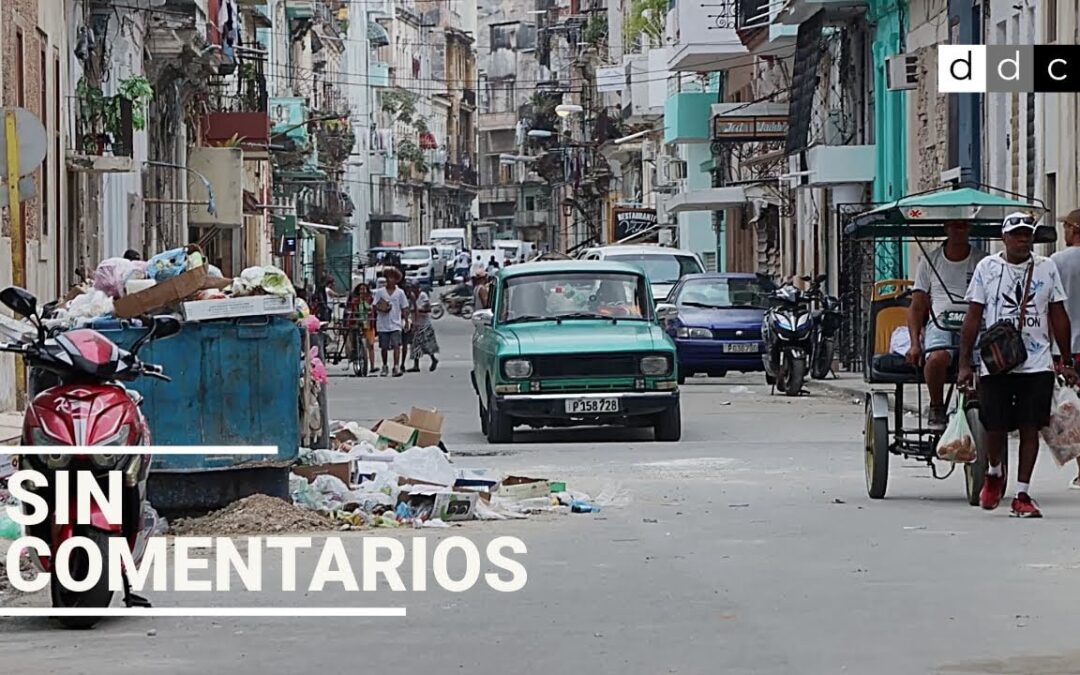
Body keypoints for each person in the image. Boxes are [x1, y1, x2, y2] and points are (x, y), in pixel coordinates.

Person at [959, 212, 1078, 518]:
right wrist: (964, 362)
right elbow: (973, 317)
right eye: (1017, 234)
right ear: (1005, 238)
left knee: (1030, 425)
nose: (1023, 239)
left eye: (1028, 234)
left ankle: (1022, 493)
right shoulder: (987, 268)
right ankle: (995, 471)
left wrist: (1064, 359)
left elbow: (1058, 314)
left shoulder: (1046, 268)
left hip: (1036, 361)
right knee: (995, 426)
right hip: (997, 361)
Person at [905, 220, 988, 430]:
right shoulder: (930, 261)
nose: (960, 230)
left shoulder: (983, 261)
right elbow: (917, 306)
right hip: (941, 320)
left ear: (970, 229)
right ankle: (936, 406)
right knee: (936, 357)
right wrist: (914, 343)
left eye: (964, 226)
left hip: (977, 320)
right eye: (955, 226)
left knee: (989, 361)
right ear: (946, 229)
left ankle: (983, 404)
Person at [1050, 208, 1080, 488]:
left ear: (1074, 229)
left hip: (1068, 348)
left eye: (1066, 227)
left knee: (1074, 410)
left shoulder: (1056, 262)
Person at [372, 268, 409, 377]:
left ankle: (396, 366)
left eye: (392, 278)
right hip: (382, 324)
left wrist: (406, 321)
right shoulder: (380, 292)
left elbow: (405, 308)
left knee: (396, 345)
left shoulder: (400, 293)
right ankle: (384, 365)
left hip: (396, 323)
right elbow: (374, 306)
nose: (390, 280)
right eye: (388, 277)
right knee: (384, 347)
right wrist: (382, 309)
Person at [407, 285, 440, 372]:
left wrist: (418, 310)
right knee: (415, 345)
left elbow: (428, 309)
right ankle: (416, 365)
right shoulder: (411, 298)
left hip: (424, 324)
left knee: (426, 345)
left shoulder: (423, 296)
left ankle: (433, 359)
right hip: (415, 324)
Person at [346, 283, 376, 372]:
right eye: (361, 289)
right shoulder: (355, 300)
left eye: (364, 289)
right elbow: (351, 311)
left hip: (368, 323)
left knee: (371, 345)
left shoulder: (370, 300)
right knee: (353, 339)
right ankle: (353, 353)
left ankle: (372, 366)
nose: (362, 291)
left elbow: (372, 310)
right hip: (356, 322)